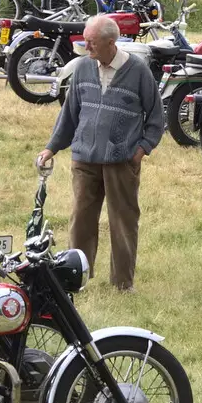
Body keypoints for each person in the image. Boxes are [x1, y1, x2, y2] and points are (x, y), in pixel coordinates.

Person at [35, 15, 165, 292]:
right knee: (81, 220)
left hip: (122, 160)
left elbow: (156, 118)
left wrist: (140, 151)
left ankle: (122, 283)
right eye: (85, 40)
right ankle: (76, 277)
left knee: (123, 221)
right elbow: (69, 115)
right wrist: (51, 147)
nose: (86, 46)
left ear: (111, 42)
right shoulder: (82, 68)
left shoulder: (138, 71)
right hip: (84, 158)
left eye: (91, 42)